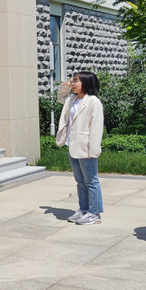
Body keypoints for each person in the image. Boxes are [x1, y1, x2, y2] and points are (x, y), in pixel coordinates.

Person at [55, 71, 105, 225]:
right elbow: (60, 97)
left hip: (86, 147)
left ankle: (94, 213)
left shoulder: (93, 102)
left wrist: (93, 150)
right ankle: (83, 209)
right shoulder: (72, 99)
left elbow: (96, 128)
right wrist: (66, 86)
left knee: (91, 181)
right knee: (80, 181)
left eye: (76, 81)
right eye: (73, 80)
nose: (73, 83)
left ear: (86, 83)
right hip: (72, 145)